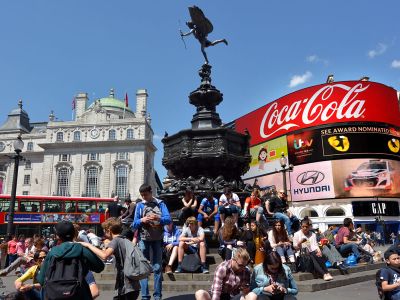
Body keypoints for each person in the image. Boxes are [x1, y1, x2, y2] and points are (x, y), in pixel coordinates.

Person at [37, 220, 105, 300]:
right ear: (74, 234)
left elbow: (41, 280)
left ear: (57, 236)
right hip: (79, 293)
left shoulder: (52, 252)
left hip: (55, 294)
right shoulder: (82, 249)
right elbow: (99, 267)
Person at [80, 218, 140, 300]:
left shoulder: (116, 241)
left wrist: (88, 245)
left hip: (127, 286)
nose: (104, 233)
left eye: (104, 230)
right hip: (132, 284)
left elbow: (104, 256)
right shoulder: (124, 239)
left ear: (109, 230)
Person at [132, 184, 171, 300]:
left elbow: (168, 219)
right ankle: (145, 296)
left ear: (151, 192)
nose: (144, 197)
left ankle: (157, 296)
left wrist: (158, 218)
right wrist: (141, 220)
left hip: (157, 239)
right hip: (144, 239)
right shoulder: (139, 205)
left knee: (157, 267)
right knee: (144, 269)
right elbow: (133, 224)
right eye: (142, 195)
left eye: (146, 195)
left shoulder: (161, 203)